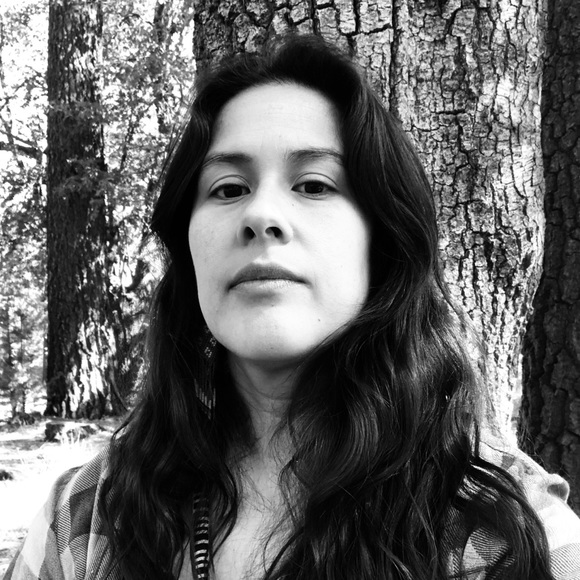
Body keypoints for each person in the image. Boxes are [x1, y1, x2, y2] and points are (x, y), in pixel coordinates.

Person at [5, 34, 580, 580]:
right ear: (189, 249)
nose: (261, 215)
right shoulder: (85, 517)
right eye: (228, 188)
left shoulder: (515, 534)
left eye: (314, 184)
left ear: (382, 240)